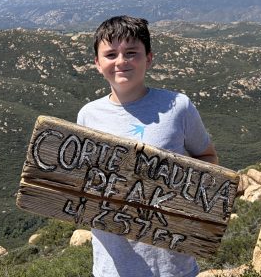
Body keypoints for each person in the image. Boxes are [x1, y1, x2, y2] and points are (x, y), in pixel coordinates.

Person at [77, 15, 218, 277]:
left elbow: (208, 158)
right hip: (112, 269)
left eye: (131, 53)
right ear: (97, 63)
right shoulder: (87, 115)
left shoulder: (179, 107)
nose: (121, 61)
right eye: (110, 55)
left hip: (173, 267)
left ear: (148, 58)